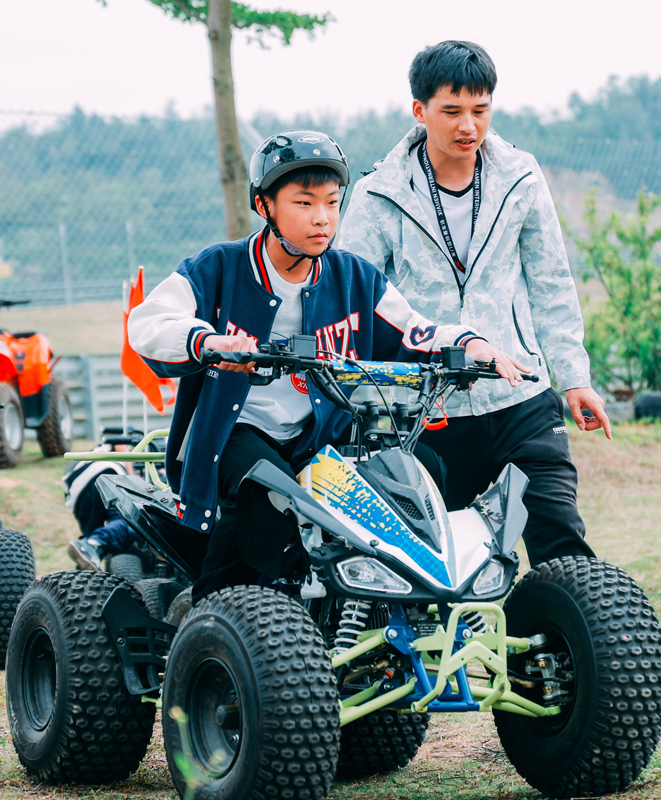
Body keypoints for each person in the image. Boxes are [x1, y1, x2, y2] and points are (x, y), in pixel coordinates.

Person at [128, 129, 529, 600]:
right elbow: (148, 322)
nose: (322, 218)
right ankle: (213, 611)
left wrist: (470, 344)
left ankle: (384, 605)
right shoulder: (219, 267)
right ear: (264, 205)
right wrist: (209, 341)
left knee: (419, 466)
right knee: (266, 490)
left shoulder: (353, 277)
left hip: (322, 436)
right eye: (304, 203)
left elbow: (415, 331)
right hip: (239, 432)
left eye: (332, 203)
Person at [339, 41, 611, 567]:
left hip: (520, 394)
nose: (469, 126)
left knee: (560, 537)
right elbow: (352, 299)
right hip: (428, 407)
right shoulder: (377, 194)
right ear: (419, 111)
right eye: (452, 111)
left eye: (480, 110)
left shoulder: (521, 177)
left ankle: (569, 620)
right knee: (429, 563)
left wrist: (574, 378)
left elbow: (551, 282)